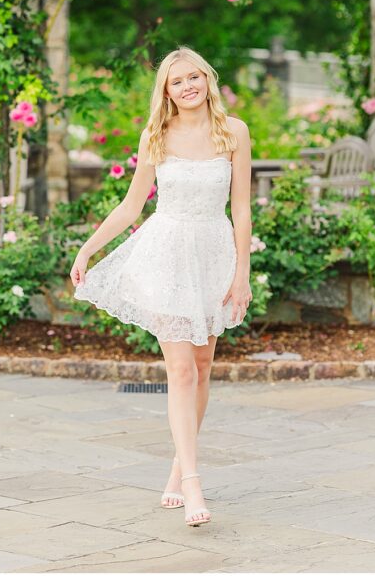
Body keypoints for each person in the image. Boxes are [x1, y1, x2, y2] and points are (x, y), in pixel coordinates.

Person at [69, 46, 253, 527]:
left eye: (194, 77)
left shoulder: (233, 132)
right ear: (166, 91)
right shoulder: (157, 134)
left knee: (204, 363)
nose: (188, 86)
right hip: (167, 254)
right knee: (180, 370)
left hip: (213, 254)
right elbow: (131, 208)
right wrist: (88, 250)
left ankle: (178, 463)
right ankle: (193, 484)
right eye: (177, 81)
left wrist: (242, 274)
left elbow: (242, 209)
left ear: (207, 80)